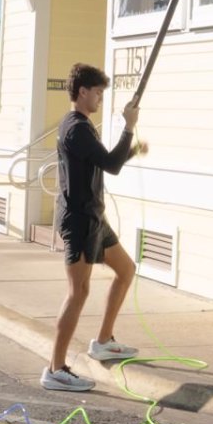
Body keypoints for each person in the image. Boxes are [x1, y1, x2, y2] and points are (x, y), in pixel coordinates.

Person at [42, 62, 147, 393]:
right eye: (98, 92)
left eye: (102, 92)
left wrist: (130, 149)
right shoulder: (76, 128)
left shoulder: (82, 126)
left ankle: (103, 341)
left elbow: (104, 160)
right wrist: (129, 128)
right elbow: (111, 165)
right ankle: (55, 369)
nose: (100, 98)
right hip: (79, 221)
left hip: (94, 218)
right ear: (82, 92)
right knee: (78, 293)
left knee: (126, 269)